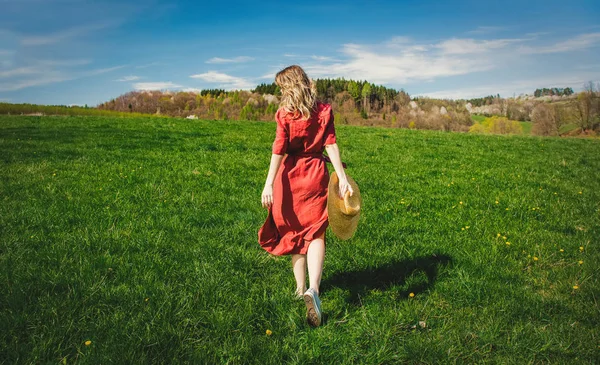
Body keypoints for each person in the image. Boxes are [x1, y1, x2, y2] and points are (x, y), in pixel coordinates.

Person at [258, 65, 353, 327]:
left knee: (294, 233)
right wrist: (342, 178)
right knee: (316, 232)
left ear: (288, 87)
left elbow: (278, 150)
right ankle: (313, 289)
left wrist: (268, 185)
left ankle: (299, 290)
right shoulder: (323, 110)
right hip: (315, 175)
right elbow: (330, 143)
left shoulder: (284, 114)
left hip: (289, 179)